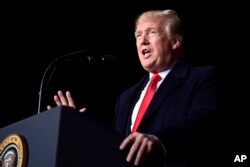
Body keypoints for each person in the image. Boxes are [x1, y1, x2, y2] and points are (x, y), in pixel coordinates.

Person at [47, 9, 224, 167]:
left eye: (151, 32)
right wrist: (80, 127)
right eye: (138, 35)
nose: (143, 41)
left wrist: (159, 140)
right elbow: (117, 147)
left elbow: (204, 121)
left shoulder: (203, 78)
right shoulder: (126, 98)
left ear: (175, 41)